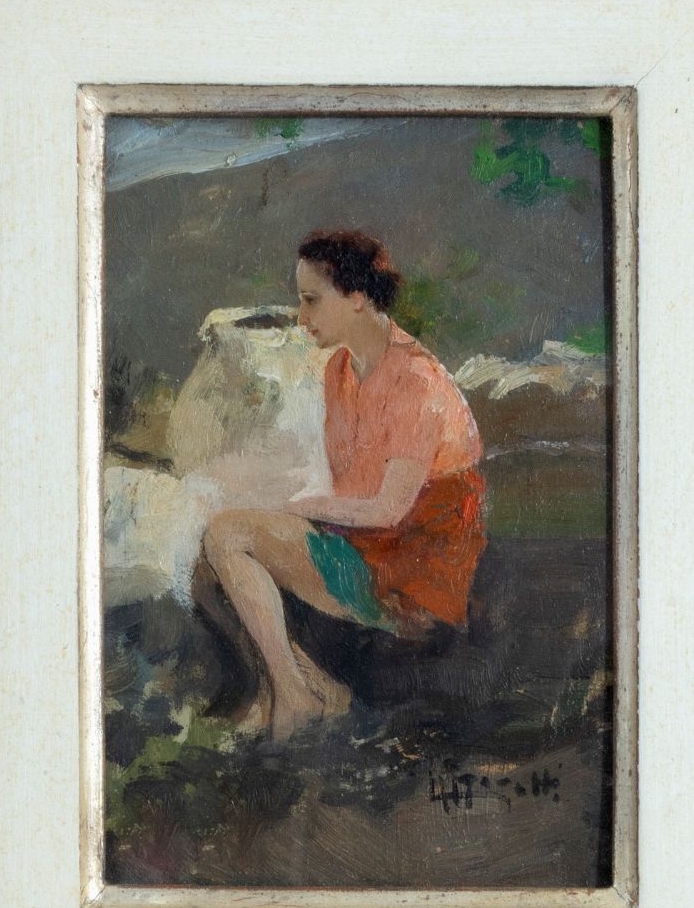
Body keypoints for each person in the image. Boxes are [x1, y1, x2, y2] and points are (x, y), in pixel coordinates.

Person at [199, 228, 486, 742]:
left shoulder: (416, 381)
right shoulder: (339, 370)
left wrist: (300, 507)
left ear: (357, 296)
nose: (300, 317)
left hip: (410, 572)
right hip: (366, 548)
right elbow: (350, 487)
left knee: (228, 534)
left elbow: (389, 510)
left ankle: (293, 695)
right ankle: (314, 690)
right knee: (208, 557)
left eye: (311, 300)